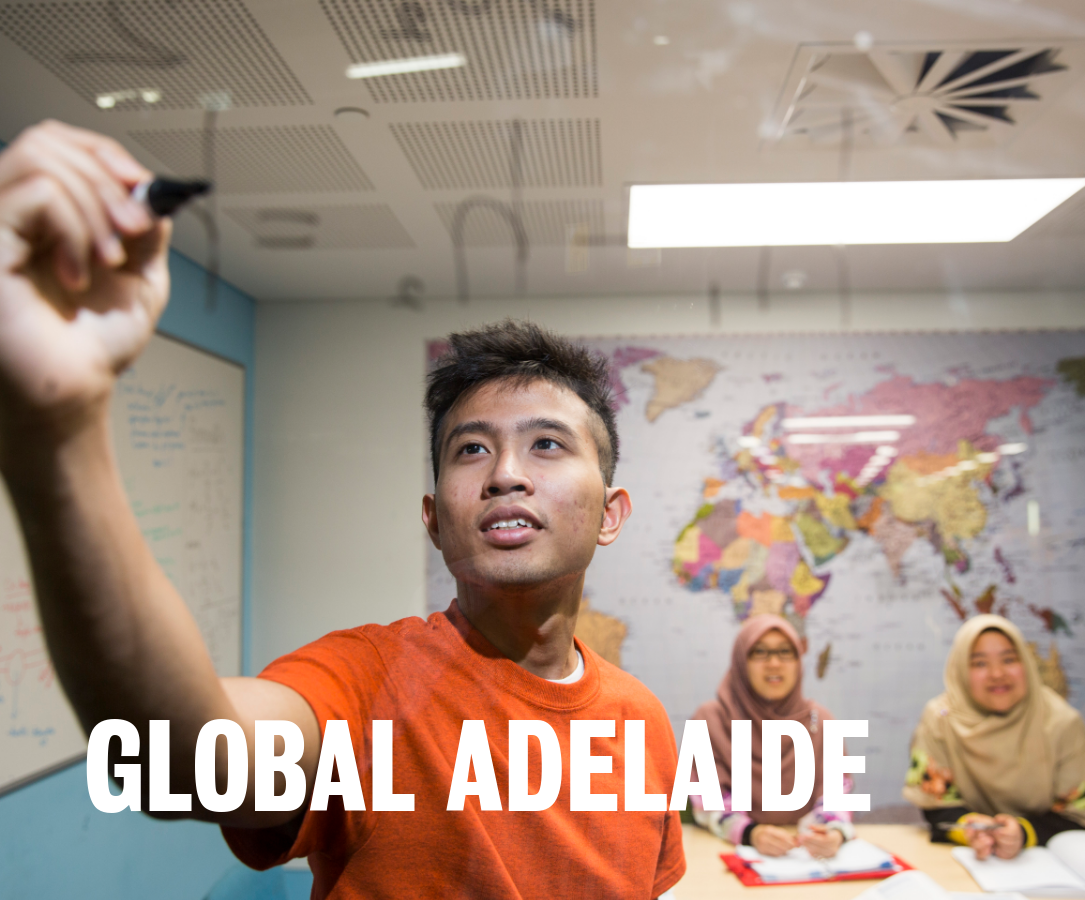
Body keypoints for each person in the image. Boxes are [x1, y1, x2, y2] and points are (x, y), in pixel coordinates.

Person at [0, 121, 684, 899]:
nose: (504, 475)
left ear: (611, 513)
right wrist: (55, 428)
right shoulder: (367, 685)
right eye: (470, 449)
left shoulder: (646, 727)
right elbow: (177, 763)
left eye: (548, 445)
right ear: (433, 516)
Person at [904, 614, 1085, 861]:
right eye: (980, 663)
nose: (997, 673)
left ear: (1026, 663)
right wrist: (971, 831)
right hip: (967, 861)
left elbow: (1084, 817)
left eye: (1009, 659)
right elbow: (937, 807)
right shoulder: (940, 718)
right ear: (960, 669)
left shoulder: (1062, 722)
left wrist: (1022, 834)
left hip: (1047, 865)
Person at [691, 615, 855, 858]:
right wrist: (750, 833)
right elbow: (708, 803)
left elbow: (836, 796)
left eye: (785, 652)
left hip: (803, 859)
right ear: (740, 661)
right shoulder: (711, 719)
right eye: (760, 652)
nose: (774, 663)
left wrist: (831, 832)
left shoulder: (819, 721)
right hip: (730, 857)